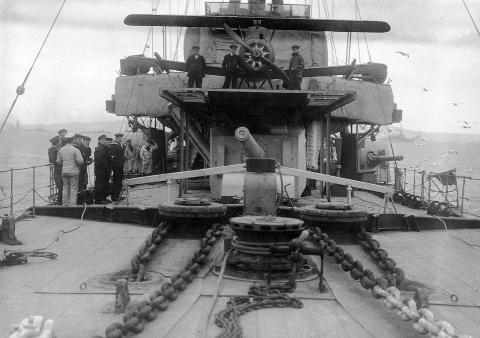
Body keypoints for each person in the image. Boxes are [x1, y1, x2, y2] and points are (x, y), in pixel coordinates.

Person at [56, 132, 84, 206]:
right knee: (73, 188)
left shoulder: (61, 149)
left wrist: (64, 164)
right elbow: (80, 161)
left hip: (64, 171)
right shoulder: (75, 150)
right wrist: (76, 165)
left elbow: (58, 161)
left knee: (65, 188)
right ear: (73, 140)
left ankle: (64, 204)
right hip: (73, 171)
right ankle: (72, 205)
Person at [94, 135, 113, 204]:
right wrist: (107, 168)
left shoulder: (104, 148)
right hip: (101, 171)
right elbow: (101, 161)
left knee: (105, 185)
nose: (105, 141)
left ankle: (103, 198)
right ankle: (98, 199)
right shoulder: (99, 149)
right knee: (100, 185)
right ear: (99, 141)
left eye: (105, 140)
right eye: (103, 140)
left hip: (105, 171)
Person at [110, 133, 125, 201]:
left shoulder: (121, 145)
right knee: (116, 181)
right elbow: (113, 157)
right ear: (116, 138)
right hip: (116, 166)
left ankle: (118, 195)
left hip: (120, 166)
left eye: (121, 138)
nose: (120, 139)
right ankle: (114, 196)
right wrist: (115, 166)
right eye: (119, 138)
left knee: (119, 181)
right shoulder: (114, 146)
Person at [48, 137, 62, 205]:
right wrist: (60, 163)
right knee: (60, 187)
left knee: (61, 187)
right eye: (59, 141)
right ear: (57, 142)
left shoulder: (56, 149)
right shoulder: (52, 149)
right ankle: (59, 202)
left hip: (60, 170)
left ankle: (60, 201)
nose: (60, 142)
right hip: (57, 170)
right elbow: (51, 160)